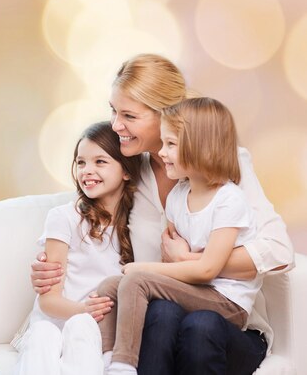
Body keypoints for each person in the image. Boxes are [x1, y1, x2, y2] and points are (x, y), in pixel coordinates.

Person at [30, 54, 294, 375]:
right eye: (113, 111)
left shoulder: (223, 166)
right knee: (162, 313)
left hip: (223, 326)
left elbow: (279, 251)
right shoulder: (129, 172)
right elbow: (87, 218)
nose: (116, 126)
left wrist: (191, 261)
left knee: (199, 325)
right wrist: (52, 271)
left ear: (167, 115)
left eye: (128, 115)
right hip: (159, 322)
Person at [98, 97, 262, 374]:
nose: (161, 153)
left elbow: (207, 269)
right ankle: (104, 358)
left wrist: (140, 269)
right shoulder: (178, 196)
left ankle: (123, 365)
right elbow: (173, 265)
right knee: (110, 287)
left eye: (170, 144)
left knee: (135, 279)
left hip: (226, 301)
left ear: (200, 146)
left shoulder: (228, 200)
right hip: (195, 292)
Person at [15, 122, 141, 375]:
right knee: (43, 333)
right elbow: (49, 301)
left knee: (83, 329)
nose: (87, 171)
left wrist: (88, 317)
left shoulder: (138, 224)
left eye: (100, 162)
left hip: (93, 329)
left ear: (126, 171)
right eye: (81, 162)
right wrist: (84, 310)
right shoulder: (64, 217)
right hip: (55, 321)